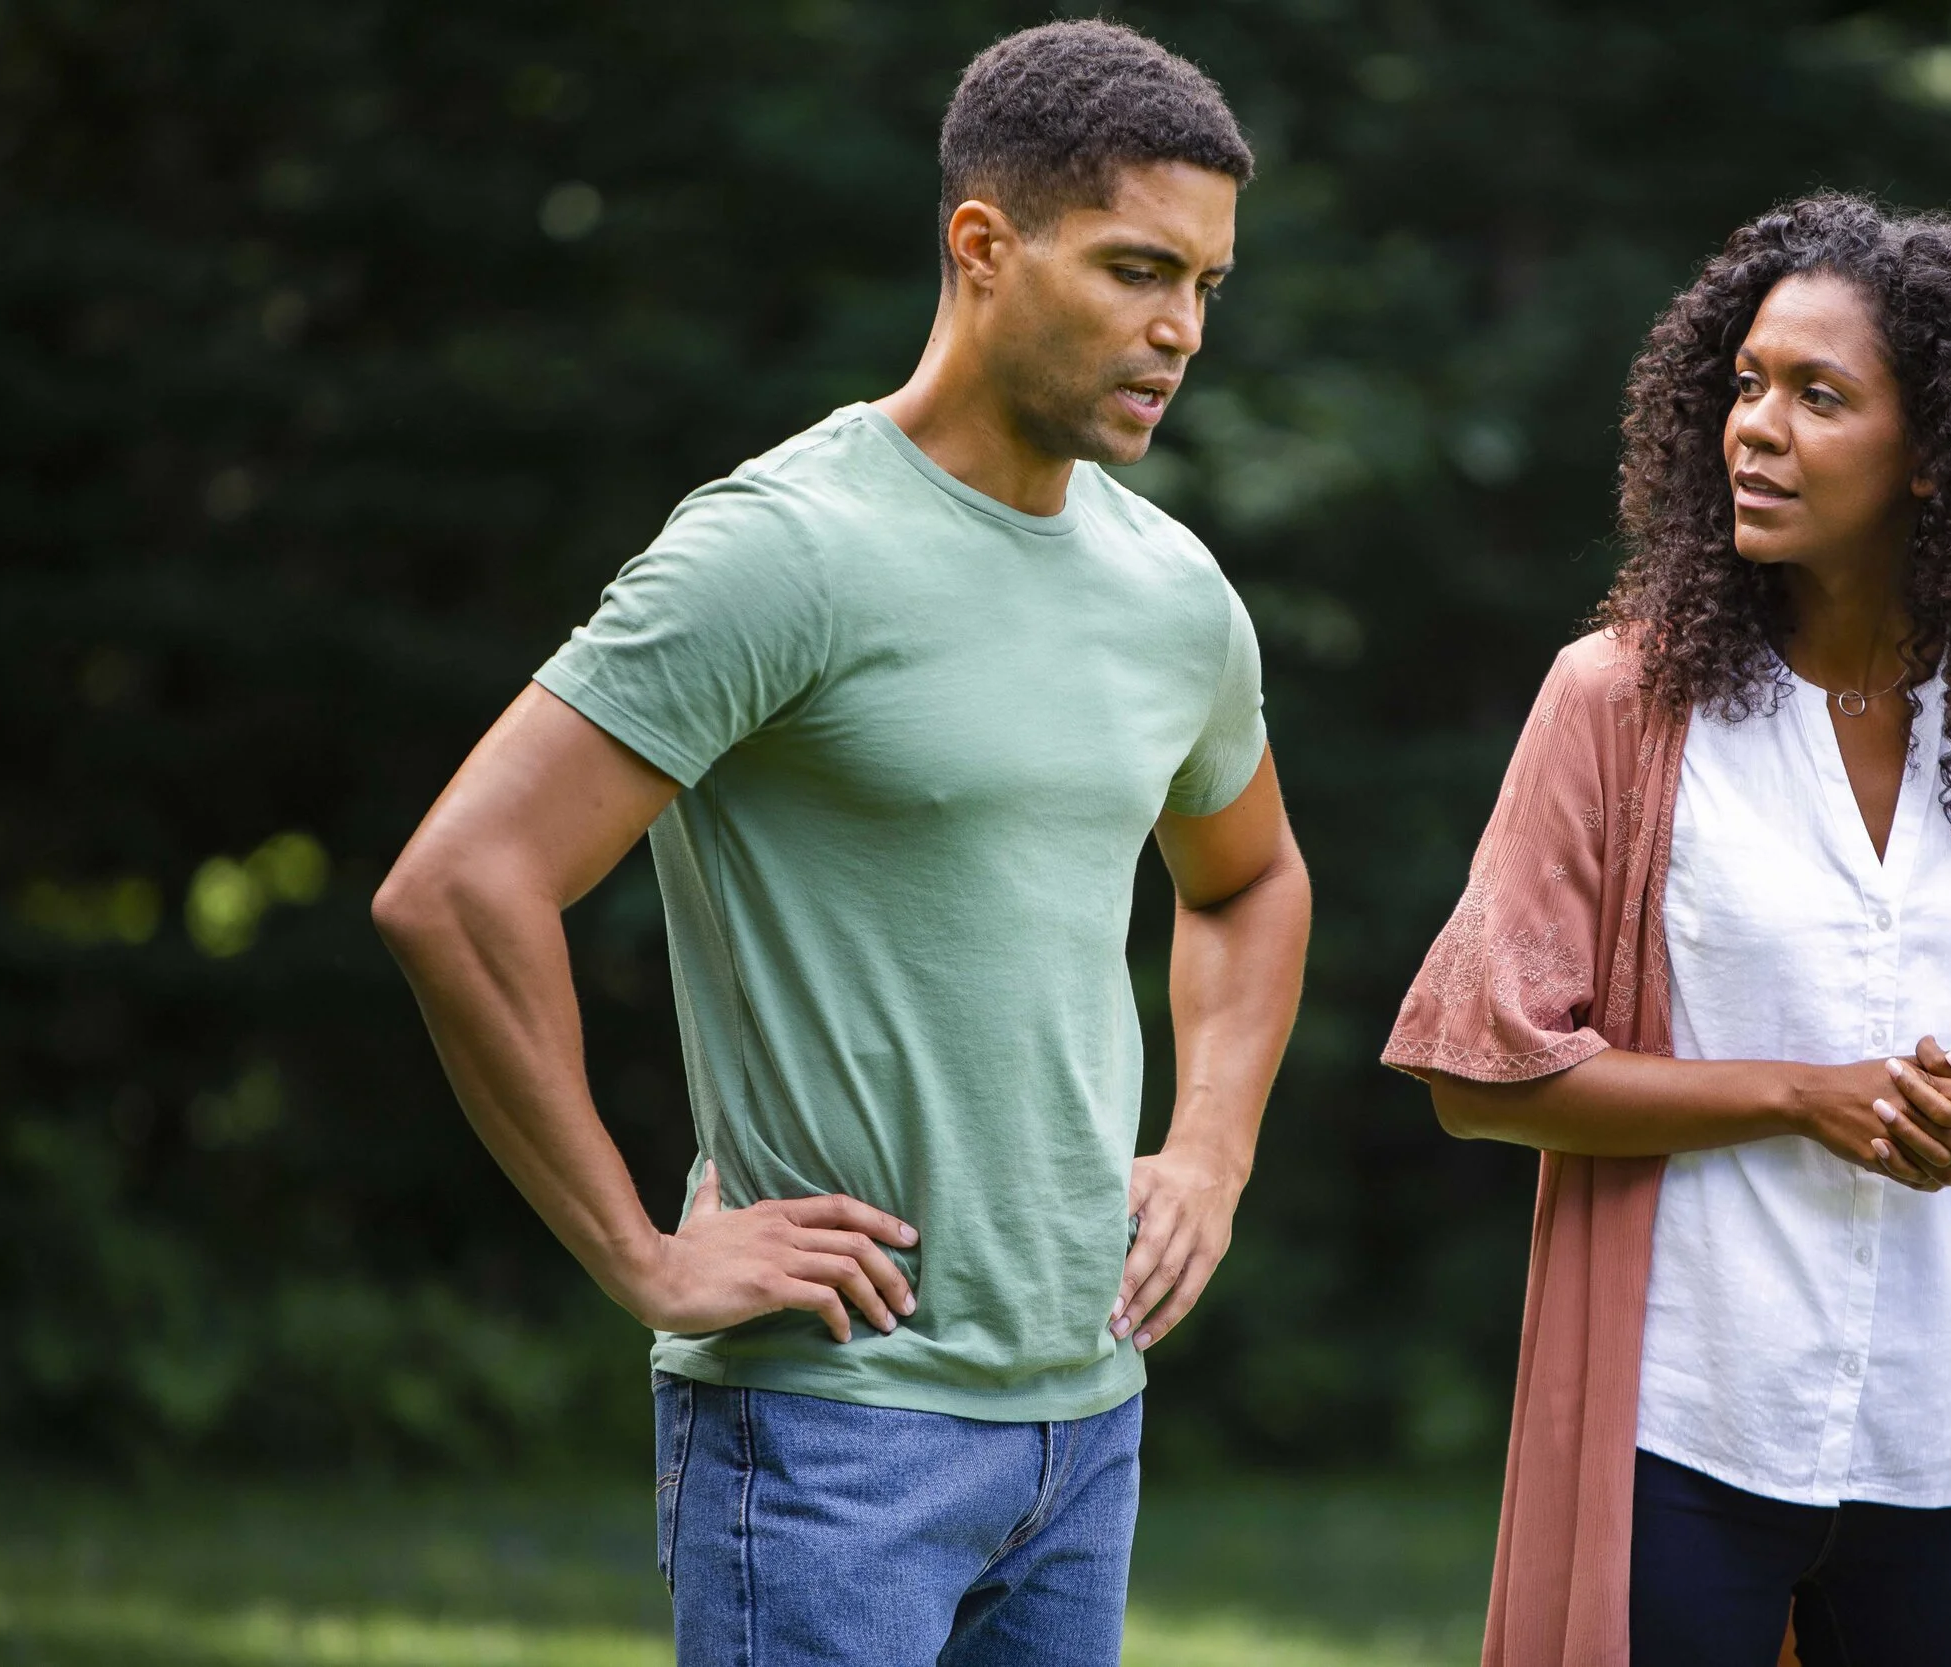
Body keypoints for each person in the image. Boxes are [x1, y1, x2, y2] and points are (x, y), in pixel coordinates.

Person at [371, 21, 1309, 1667]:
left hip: (1083, 1424)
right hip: (829, 1430)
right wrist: (642, 1254)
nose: (1179, 329)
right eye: (1136, 269)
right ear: (983, 246)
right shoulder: (783, 551)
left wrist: (1212, 1152)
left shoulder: (1174, 593)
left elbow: (1247, 880)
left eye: (1206, 285)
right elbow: (457, 887)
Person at [1383, 193, 1951, 1667]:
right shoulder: (1620, 705)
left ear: (1935, 454)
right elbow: (1479, 1070)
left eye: (1818, 395)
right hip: (1684, 1424)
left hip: (1949, 1440)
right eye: (1746, 384)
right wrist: (1808, 1096)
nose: (1754, 427)